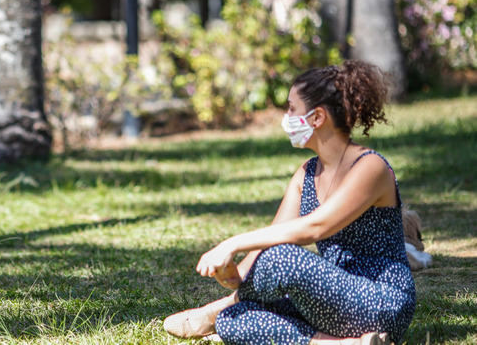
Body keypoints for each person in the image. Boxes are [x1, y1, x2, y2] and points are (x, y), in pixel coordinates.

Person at [162, 60, 415, 345]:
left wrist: (232, 243)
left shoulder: (370, 166)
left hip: (381, 304)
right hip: (330, 305)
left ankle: (214, 309)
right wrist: (234, 274)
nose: (286, 116)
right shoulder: (306, 174)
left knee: (281, 259)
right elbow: (267, 245)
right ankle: (340, 344)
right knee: (233, 321)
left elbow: (314, 228)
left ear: (317, 117)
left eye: (292, 108)